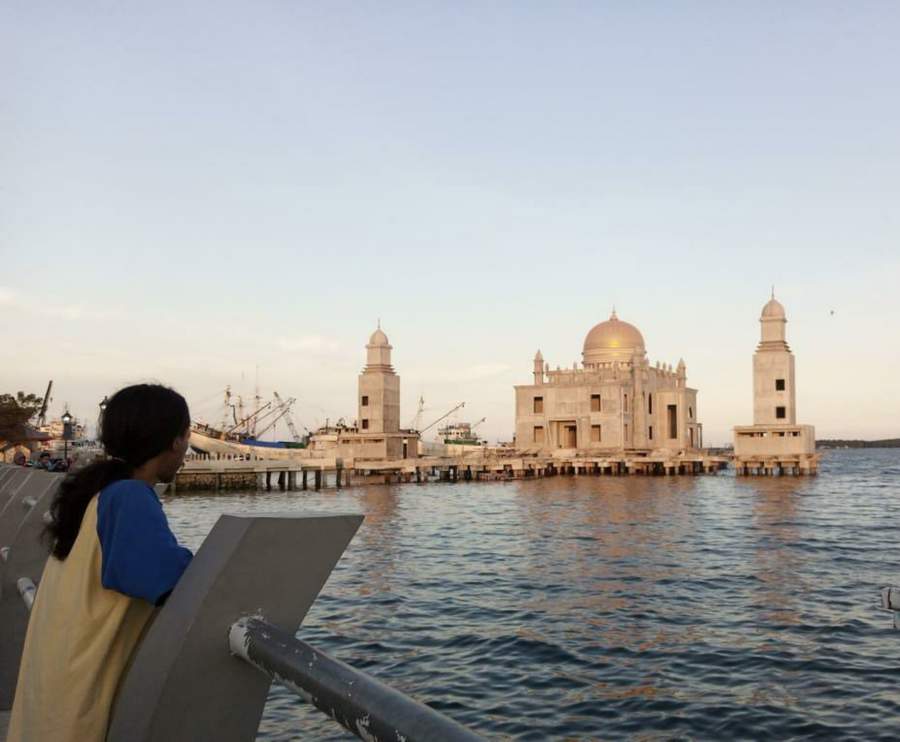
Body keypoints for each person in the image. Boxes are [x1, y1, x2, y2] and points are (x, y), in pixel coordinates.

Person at [8, 384, 194, 742]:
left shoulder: (96, 491)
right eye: (186, 436)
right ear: (173, 440)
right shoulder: (129, 497)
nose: (186, 447)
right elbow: (171, 580)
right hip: (79, 708)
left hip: (53, 693)